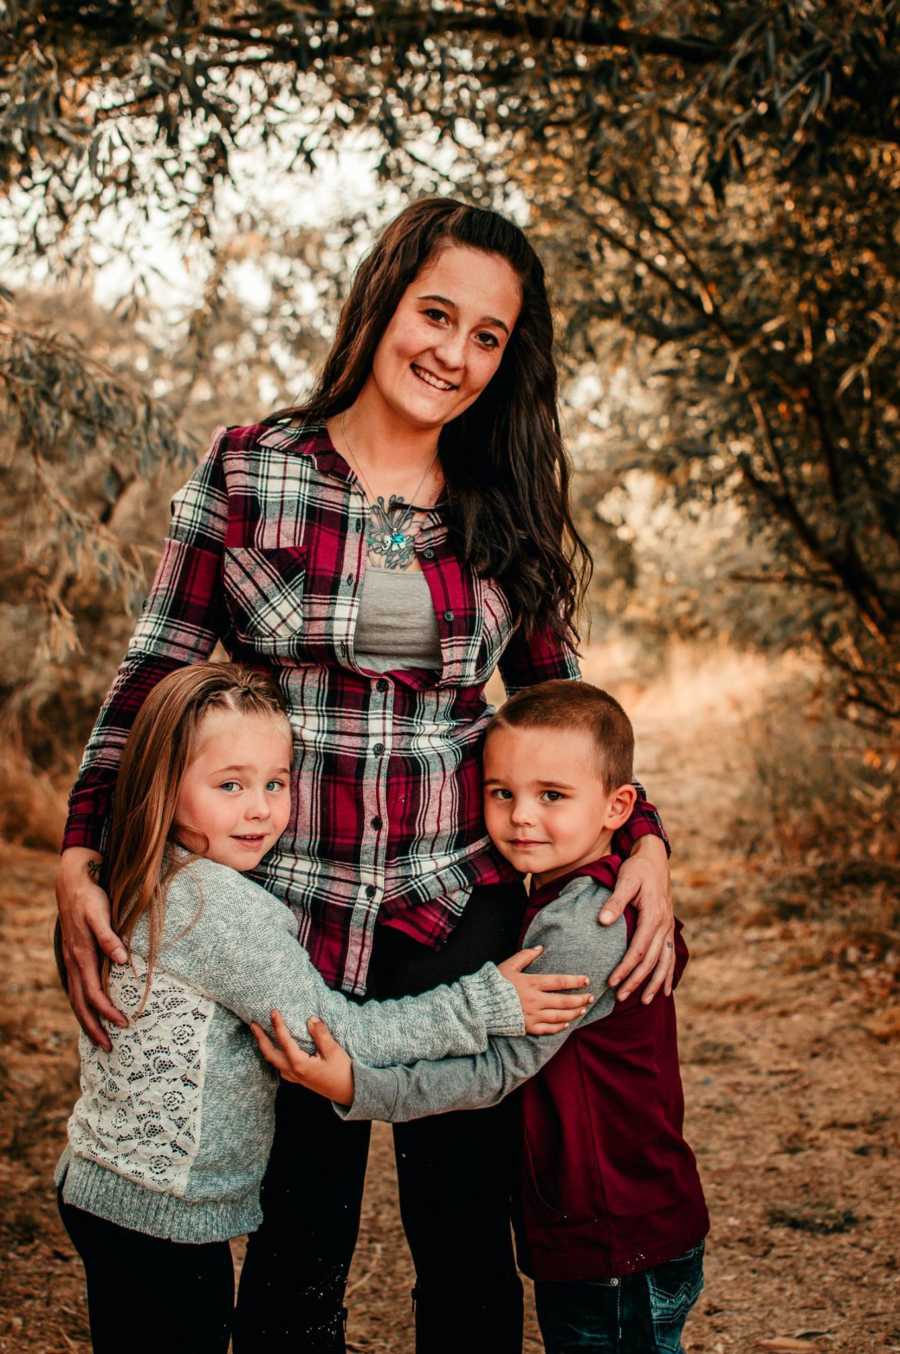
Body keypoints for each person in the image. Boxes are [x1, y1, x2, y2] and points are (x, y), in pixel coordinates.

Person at [55, 196, 676, 1352]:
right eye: (435, 313)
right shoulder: (251, 472)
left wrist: (648, 844)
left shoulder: (505, 505)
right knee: (297, 1255)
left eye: (488, 336)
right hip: (287, 924)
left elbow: (561, 712)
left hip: (459, 911)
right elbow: (152, 680)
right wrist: (80, 851)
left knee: (467, 1246)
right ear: (382, 301)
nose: (454, 352)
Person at [55, 662, 594, 1354]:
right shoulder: (222, 912)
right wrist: (487, 1001)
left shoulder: (140, 867)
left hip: (109, 1186)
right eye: (230, 786)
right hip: (161, 1213)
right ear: (163, 785)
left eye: (277, 784)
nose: (260, 809)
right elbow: (334, 1034)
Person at [257, 680, 709, 1354]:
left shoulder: (590, 922)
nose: (523, 817)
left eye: (552, 796)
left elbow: (495, 1071)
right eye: (502, 793)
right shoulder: (562, 891)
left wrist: (356, 1087)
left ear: (620, 807)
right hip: (594, 1223)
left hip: (616, 1231)